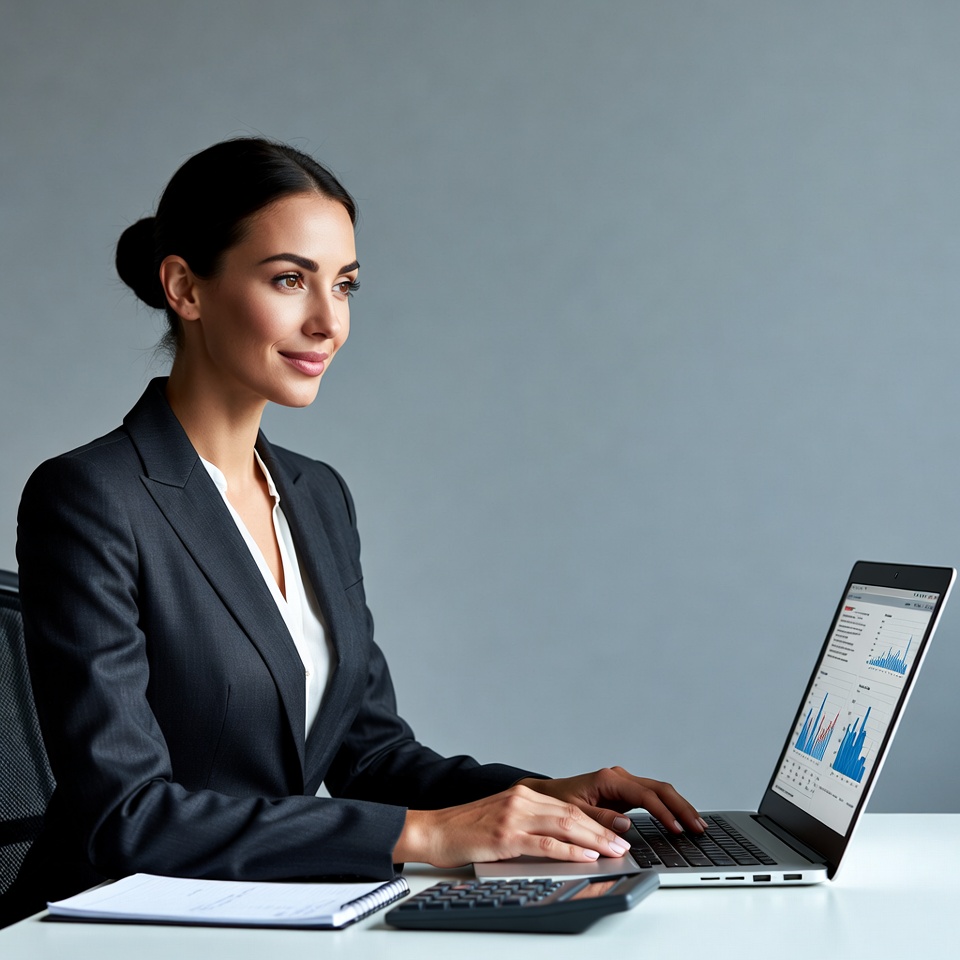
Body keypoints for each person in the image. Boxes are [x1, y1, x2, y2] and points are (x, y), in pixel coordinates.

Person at [7, 138, 704, 922]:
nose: (327, 322)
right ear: (185, 288)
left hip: (266, 912)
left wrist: (534, 795)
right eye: (288, 280)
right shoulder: (92, 497)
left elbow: (369, 754)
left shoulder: (316, 495)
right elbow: (125, 817)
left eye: (343, 286)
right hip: (110, 923)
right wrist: (429, 834)